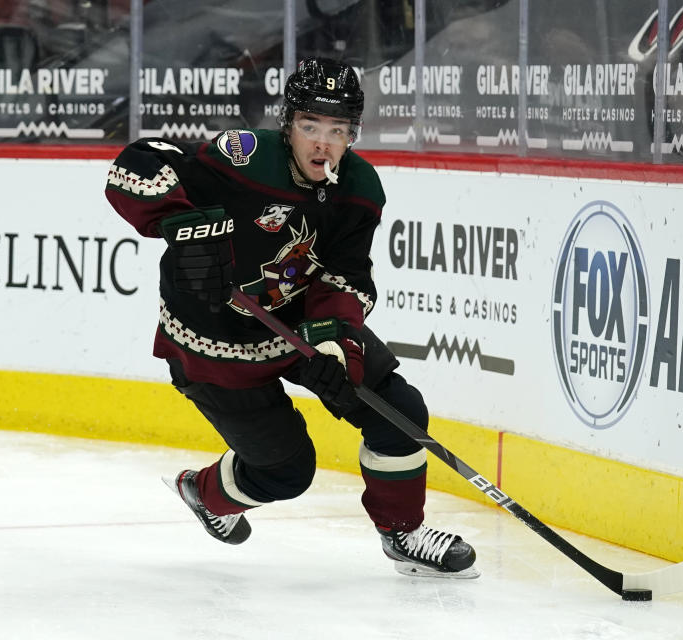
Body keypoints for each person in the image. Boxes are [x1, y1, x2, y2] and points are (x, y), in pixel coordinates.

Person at [104, 57, 476, 577]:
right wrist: (182, 224)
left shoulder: (360, 189)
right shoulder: (246, 158)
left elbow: (346, 277)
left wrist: (333, 342)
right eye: (310, 127)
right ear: (288, 126)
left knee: (401, 411)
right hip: (214, 341)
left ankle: (403, 533)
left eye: (337, 130)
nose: (322, 143)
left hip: (299, 330)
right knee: (287, 472)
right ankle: (205, 493)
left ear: (353, 135)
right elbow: (139, 164)